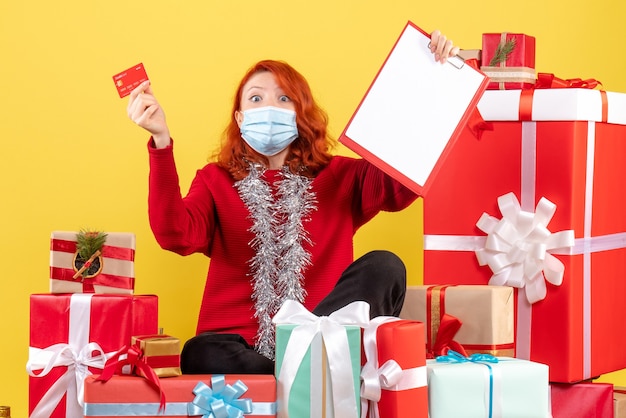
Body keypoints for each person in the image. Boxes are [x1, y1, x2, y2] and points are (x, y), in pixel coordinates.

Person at [126, 30, 459, 374]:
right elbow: (174, 234)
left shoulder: (342, 176)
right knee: (200, 351)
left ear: (301, 112)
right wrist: (160, 141)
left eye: (284, 99)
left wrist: (432, 78)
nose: (269, 107)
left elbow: (400, 185)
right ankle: (296, 375)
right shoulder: (215, 179)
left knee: (386, 266)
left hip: (320, 338)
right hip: (239, 347)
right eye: (255, 99)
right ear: (239, 118)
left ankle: (304, 359)